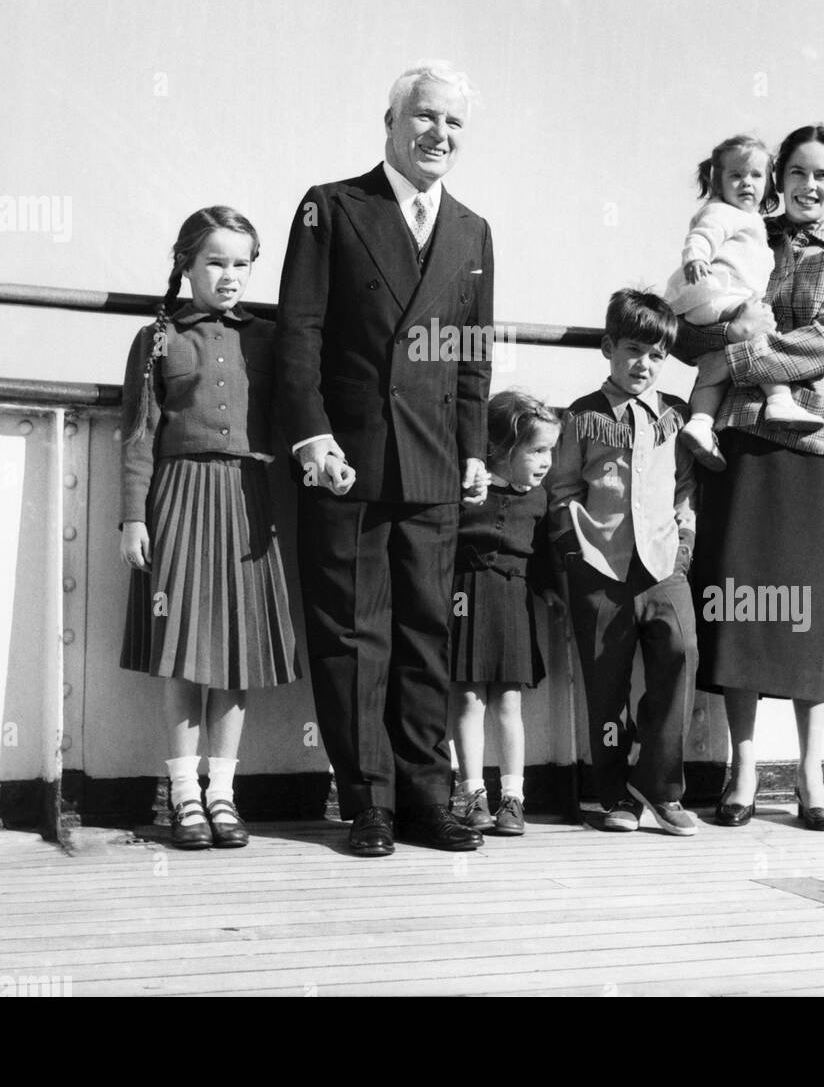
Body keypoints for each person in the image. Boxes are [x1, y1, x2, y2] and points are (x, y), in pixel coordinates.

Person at [276, 61, 494, 856]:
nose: (439, 134)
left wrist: (473, 448)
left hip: (435, 459)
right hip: (349, 456)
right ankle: (367, 801)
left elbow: (471, 357)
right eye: (425, 117)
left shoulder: (471, 231)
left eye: (454, 123)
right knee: (352, 632)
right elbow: (299, 330)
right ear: (392, 122)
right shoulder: (331, 207)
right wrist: (310, 433)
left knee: (427, 633)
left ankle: (425, 798)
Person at [681, 124, 824, 832]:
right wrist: (709, 323)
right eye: (795, 172)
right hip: (739, 442)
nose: (807, 185)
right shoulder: (741, 232)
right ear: (776, 178)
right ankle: (742, 768)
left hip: (815, 444)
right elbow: (688, 327)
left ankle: (811, 775)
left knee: (804, 614)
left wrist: (737, 362)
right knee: (738, 605)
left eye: (822, 174)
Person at [119, 206, 299, 851]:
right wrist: (134, 516)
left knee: (237, 654)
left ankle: (223, 795)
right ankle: (182, 796)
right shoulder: (158, 340)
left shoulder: (270, 338)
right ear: (187, 265)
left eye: (242, 264)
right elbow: (140, 433)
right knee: (184, 653)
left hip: (249, 500)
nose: (229, 276)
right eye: (216, 261)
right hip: (179, 499)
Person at [547, 289, 700, 835]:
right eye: (634, 350)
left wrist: (683, 546)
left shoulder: (676, 417)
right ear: (609, 347)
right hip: (600, 566)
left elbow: (685, 487)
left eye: (657, 355)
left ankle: (659, 785)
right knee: (606, 684)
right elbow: (562, 487)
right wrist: (575, 553)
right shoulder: (582, 416)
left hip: (663, 565)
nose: (645, 364)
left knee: (680, 654)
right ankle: (614, 793)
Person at [665, 135, 824, 471]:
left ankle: (700, 423)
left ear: (768, 185)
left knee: (713, 371)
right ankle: (779, 399)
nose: (746, 183)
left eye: (755, 176)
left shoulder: (751, 221)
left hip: (711, 307)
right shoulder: (723, 211)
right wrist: (696, 256)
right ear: (717, 182)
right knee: (760, 330)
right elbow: (703, 233)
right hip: (721, 296)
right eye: (735, 176)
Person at [450, 390, 563, 838]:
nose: (546, 461)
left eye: (550, 451)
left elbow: (540, 557)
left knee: (509, 702)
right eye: (536, 451)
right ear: (501, 449)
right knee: (467, 699)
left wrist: (550, 589)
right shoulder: (466, 492)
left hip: (513, 601)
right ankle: (472, 793)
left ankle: (513, 797)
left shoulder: (538, 500)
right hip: (466, 598)